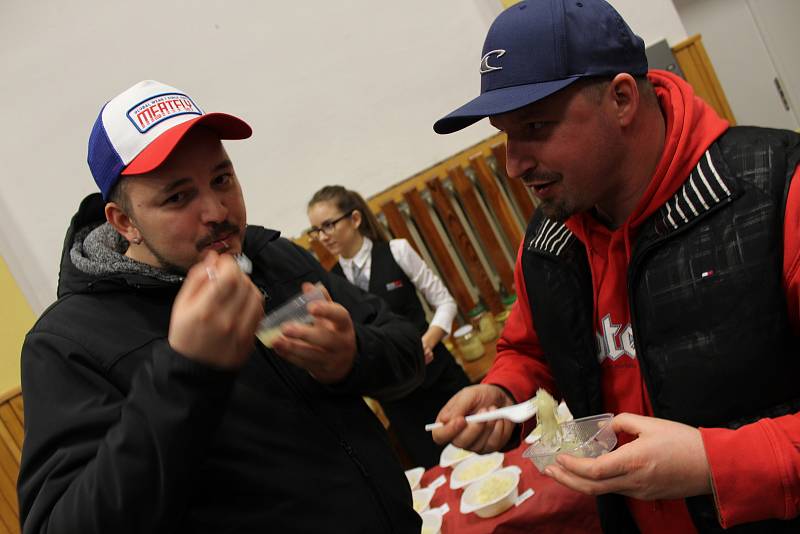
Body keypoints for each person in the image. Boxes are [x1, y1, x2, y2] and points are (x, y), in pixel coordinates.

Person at [429, 1, 800, 532]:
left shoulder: (777, 190)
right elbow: (530, 348)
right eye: (504, 134)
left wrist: (713, 464)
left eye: (536, 125)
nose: (513, 164)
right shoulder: (550, 236)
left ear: (622, 98)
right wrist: (505, 391)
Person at [17, 80, 426, 533]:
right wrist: (185, 374)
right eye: (178, 196)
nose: (217, 210)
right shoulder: (69, 343)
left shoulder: (274, 258)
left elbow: (408, 351)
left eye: (221, 179)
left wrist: (354, 357)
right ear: (125, 222)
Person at [307, 185, 471, 468]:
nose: (323, 236)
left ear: (355, 219)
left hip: (438, 377)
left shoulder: (397, 250)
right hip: (396, 398)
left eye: (328, 225)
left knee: (483, 454)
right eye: (316, 231)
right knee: (439, 475)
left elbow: (445, 303)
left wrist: (426, 342)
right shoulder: (330, 282)